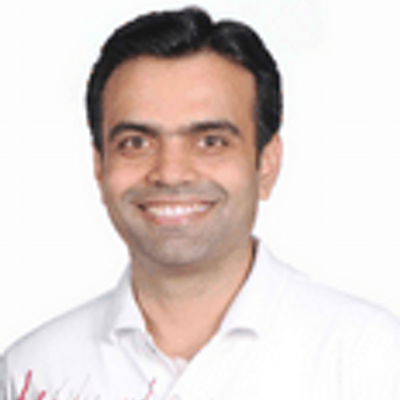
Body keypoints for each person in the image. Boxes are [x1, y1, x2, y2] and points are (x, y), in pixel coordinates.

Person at [1, 6, 399, 400]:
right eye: (136, 143)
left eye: (211, 142)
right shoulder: (33, 372)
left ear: (266, 163)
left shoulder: (369, 357)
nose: (171, 174)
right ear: (100, 166)